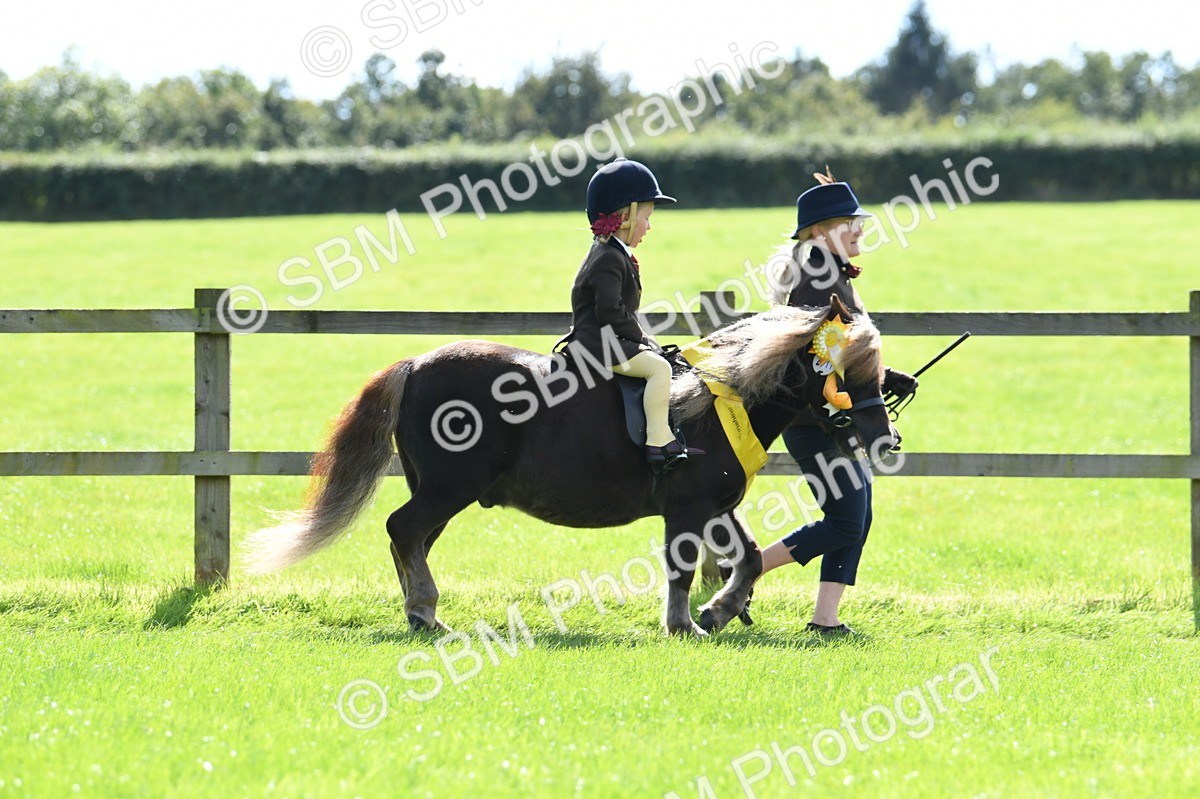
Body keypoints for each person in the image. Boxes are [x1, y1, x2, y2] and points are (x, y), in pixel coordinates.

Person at [748, 171, 918, 636]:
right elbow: (816, 363)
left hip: (832, 419)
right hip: (815, 422)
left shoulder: (828, 272)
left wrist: (882, 376)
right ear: (822, 232)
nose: (862, 228)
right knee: (847, 519)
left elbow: (837, 348)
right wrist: (862, 398)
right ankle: (747, 569)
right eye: (851, 221)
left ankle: (825, 619)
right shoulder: (816, 278)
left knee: (857, 516)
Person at [559, 158, 691, 468]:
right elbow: (610, 311)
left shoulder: (609, 252)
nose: (650, 226)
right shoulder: (609, 257)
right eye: (647, 217)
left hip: (605, 340)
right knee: (660, 369)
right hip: (599, 345)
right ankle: (659, 441)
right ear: (626, 217)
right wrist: (643, 340)